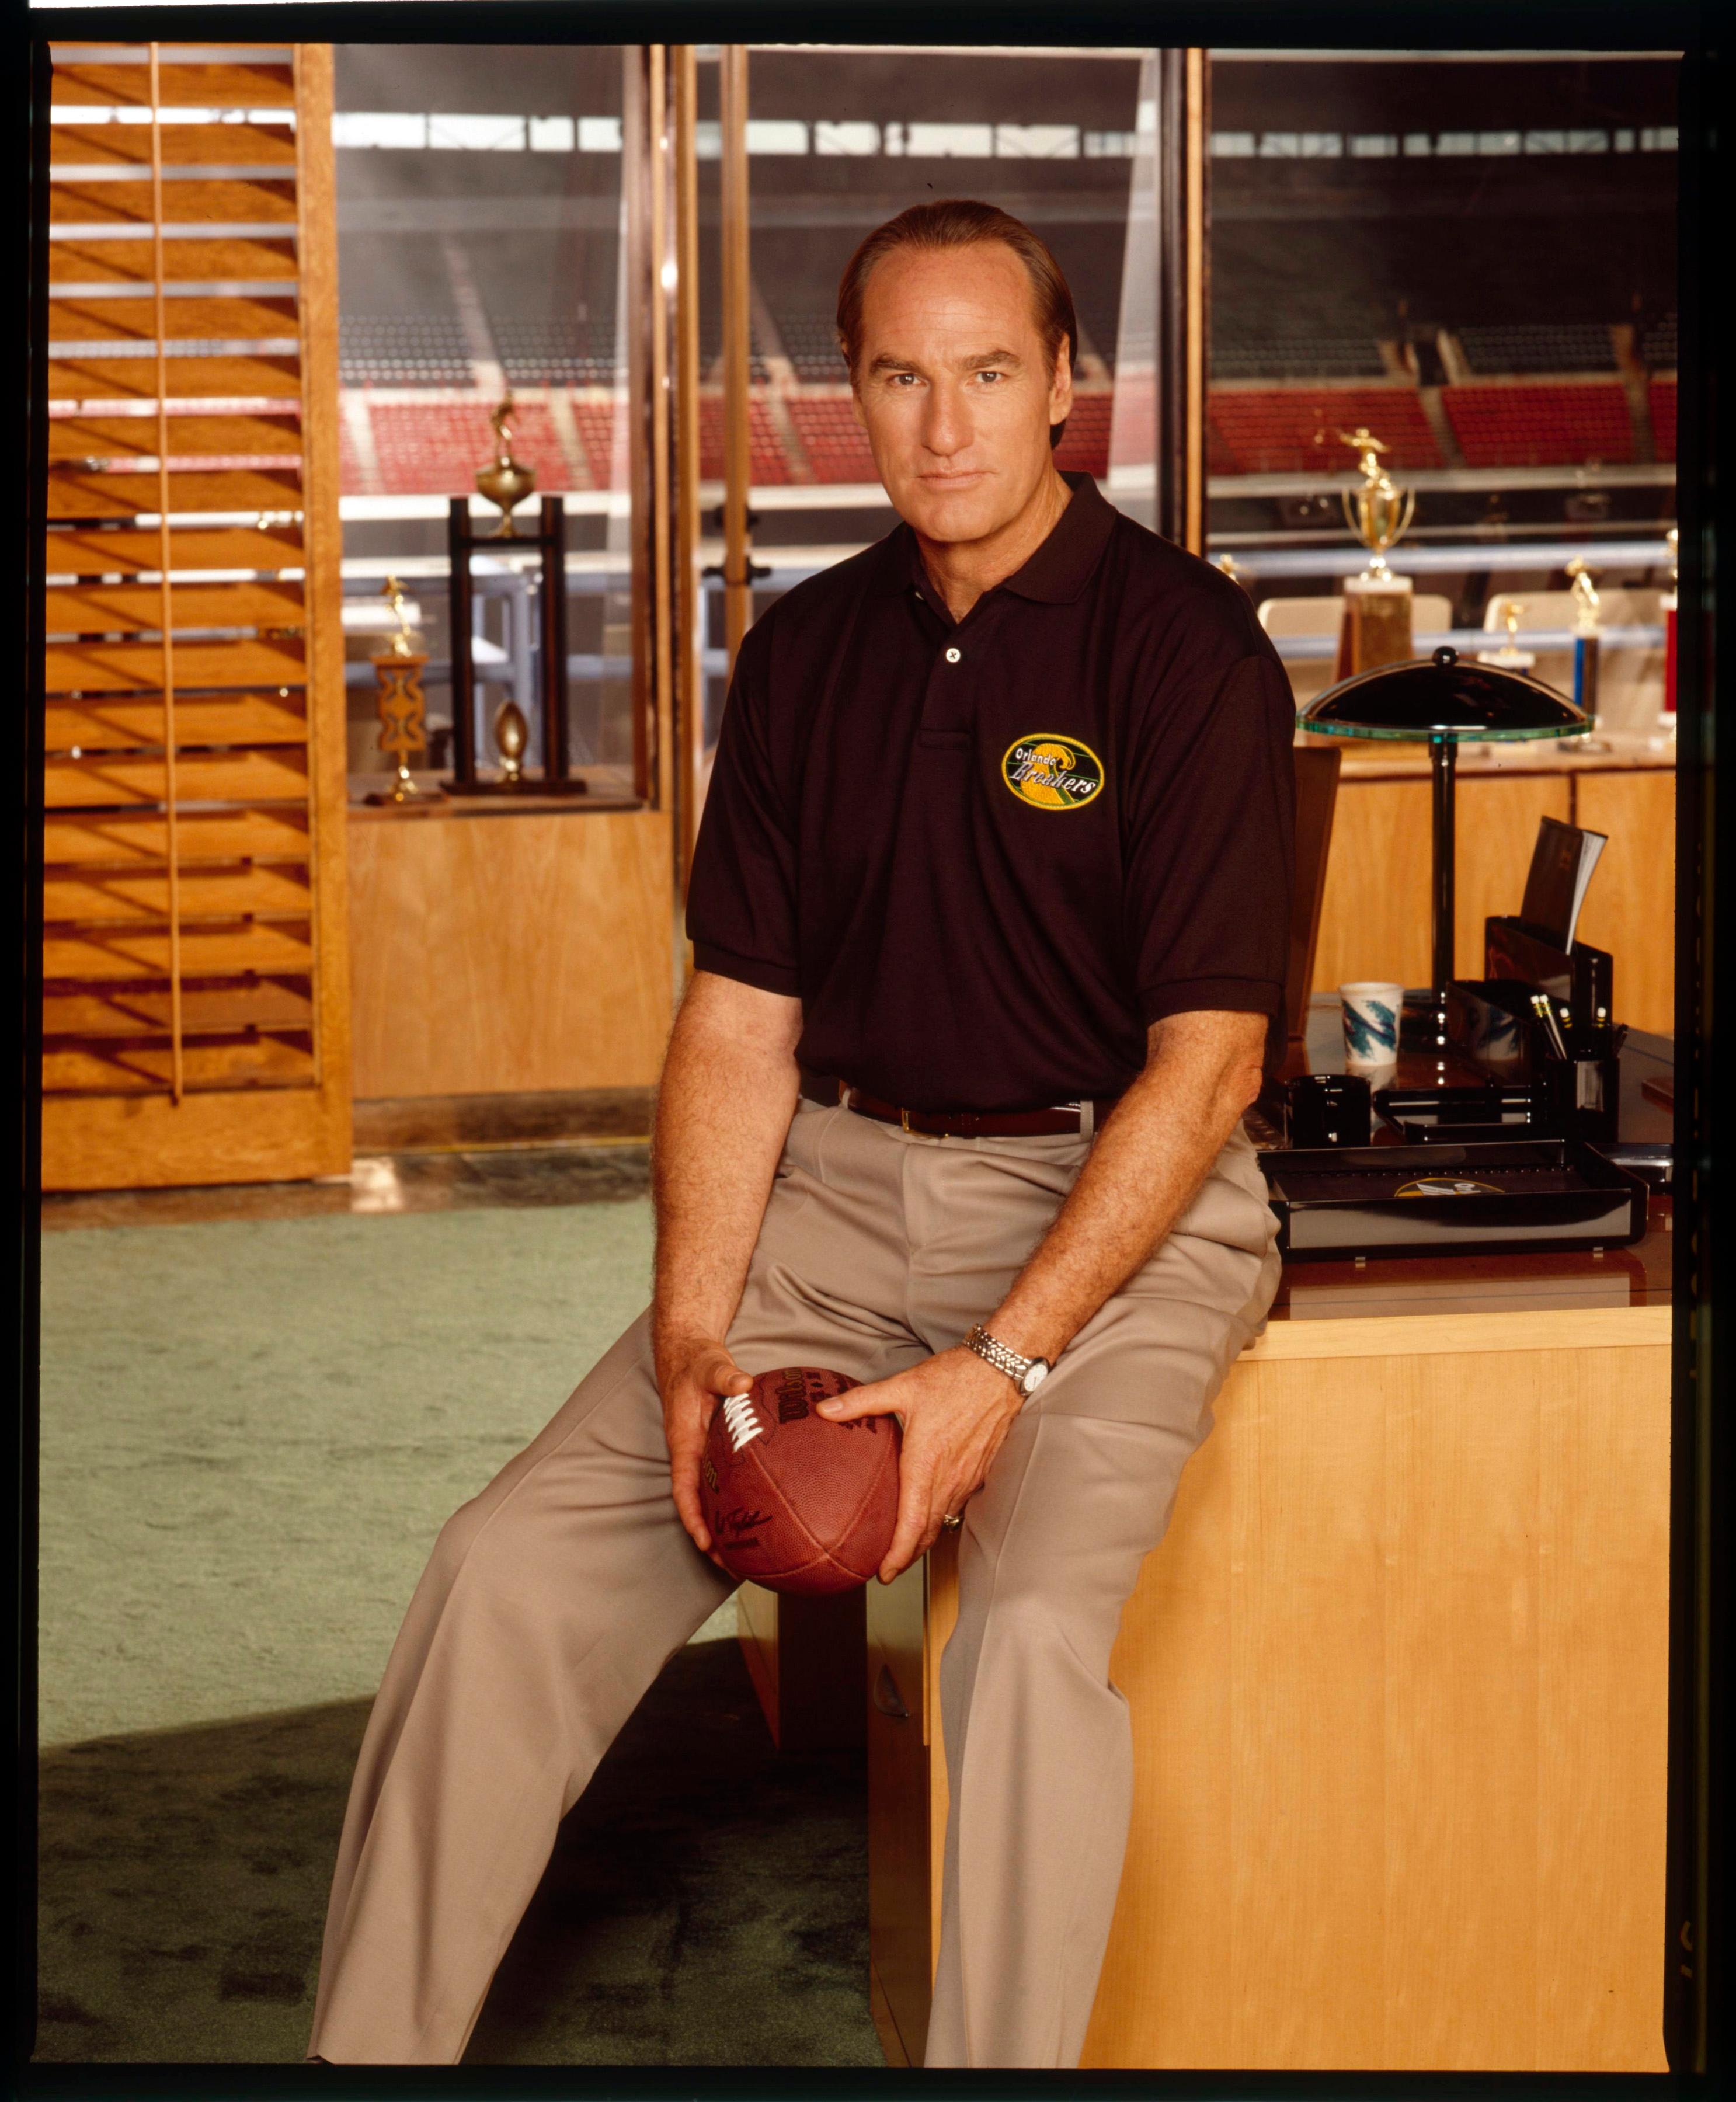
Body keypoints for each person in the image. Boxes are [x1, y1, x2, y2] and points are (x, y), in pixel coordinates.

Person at [307, 197, 1295, 2070]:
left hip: (1114, 1212)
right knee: (502, 1568)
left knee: (1015, 1661)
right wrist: (694, 1343)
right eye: (901, 377)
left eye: (991, 373)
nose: (946, 426)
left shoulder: (1190, 655)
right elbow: (741, 1026)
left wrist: (1004, 1367)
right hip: (834, 1193)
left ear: (1067, 387)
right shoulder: (807, 654)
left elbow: (1212, 1066)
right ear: (850, 391)